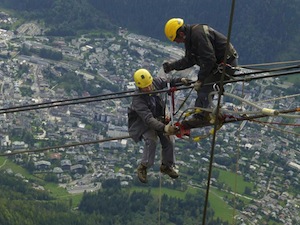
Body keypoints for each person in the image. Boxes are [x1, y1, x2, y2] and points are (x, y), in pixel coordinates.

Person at [163, 18, 238, 129]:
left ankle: (202, 116)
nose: (177, 42)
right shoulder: (191, 37)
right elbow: (189, 59)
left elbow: (208, 59)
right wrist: (172, 66)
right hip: (218, 66)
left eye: (176, 39)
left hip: (226, 65)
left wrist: (200, 79)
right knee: (204, 87)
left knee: (205, 87)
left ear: (181, 33)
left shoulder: (197, 35)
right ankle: (202, 114)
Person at [128, 68, 190, 183]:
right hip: (143, 124)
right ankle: (143, 167)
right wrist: (164, 127)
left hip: (158, 119)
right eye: (145, 87)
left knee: (169, 140)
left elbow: (168, 81)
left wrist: (180, 80)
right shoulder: (138, 100)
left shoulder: (155, 82)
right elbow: (148, 119)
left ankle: (166, 166)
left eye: (149, 85)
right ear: (139, 87)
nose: (148, 88)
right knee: (152, 140)